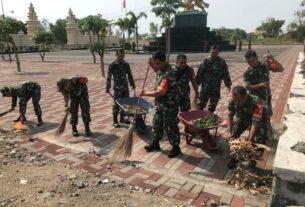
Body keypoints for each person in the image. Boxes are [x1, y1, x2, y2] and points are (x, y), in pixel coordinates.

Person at [140, 51, 181, 158]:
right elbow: (158, 71)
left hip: (169, 106)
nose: (156, 65)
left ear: (164, 61)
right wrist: (152, 65)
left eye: (158, 63)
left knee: (170, 127)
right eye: (155, 63)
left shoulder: (168, 74)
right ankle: (155, 143)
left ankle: (176, 148)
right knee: (157, 123)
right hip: (161, 104)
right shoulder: (162, 69)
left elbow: (161, 92)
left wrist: (145, 93)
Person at [226, 86, 268, 168]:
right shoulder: (233, 100)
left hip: (259, 119)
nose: (236, 103)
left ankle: (253, 161)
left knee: (260, 139)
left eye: (238, 101)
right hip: (243, 117)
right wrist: (229, 131)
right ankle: (234, 158)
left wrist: (250, 139)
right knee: (233, 136)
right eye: (235, 101)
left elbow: (255, 123)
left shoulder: (257, 103)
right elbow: (229, 115)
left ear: (245, 96)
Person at [243, 49, 284, 118]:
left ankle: (268, 127)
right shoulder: (247, 73)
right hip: (255, 98)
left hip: (266, 96)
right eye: (249, 62)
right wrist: (261, 85)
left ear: (257, 58)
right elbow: (247, 87)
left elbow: (280, 69)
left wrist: (272, 59)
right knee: (257, 117)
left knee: (267, 116)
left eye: (253, 61)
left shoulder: (265, 66)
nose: (251, 63)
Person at [196, 45, 232, 113]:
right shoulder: (205, 61)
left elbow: (225, 72)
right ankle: (199, 116)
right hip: (205, 88)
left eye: (215, 53)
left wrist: (228, 83)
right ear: (209, 52)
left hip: (216, 88)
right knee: (201, 104)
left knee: (213, 106)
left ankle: (209, 117)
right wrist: (197, 83)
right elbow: (200, 72)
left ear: (218, 53)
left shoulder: (222, 61)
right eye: (212, 52)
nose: (213, 54)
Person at [105, 49, 136, 128]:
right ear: (116, 55)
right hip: (117, 88)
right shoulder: (113, 65)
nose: (121, 57)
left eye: (123, 56)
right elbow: (109, 77)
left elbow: (129, 75)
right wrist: (107, 87)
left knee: (125, 103)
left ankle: (122, 118)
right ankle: (115, 120)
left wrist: (132, 84)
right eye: (120, 56)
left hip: (125, 87)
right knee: (117, 104)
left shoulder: (126, 64)